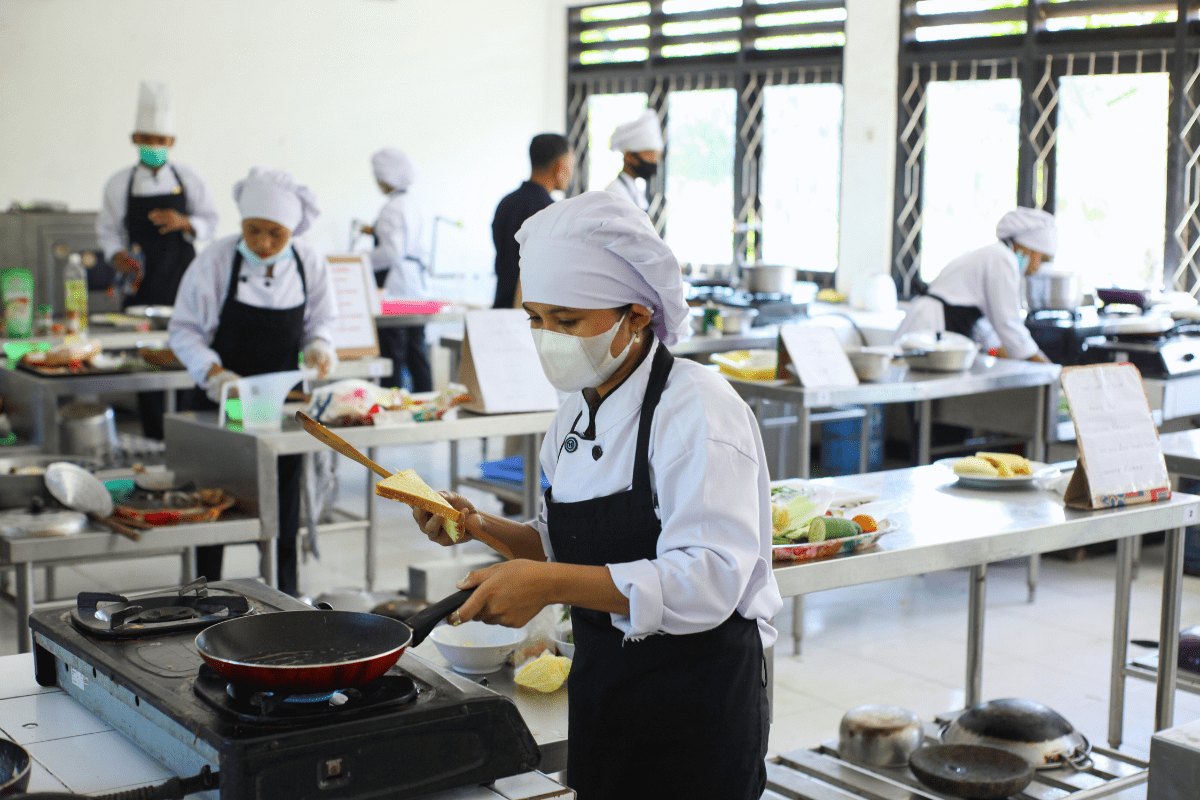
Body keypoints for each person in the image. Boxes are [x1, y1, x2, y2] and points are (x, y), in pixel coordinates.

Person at [412, 191, 782, 799]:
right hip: (605, 687)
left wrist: (548, 584)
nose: (546, 337)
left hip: (697, 704)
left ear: (636, 316)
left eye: (567, 321)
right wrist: (478, 525)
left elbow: (709, 580)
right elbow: (563, 545)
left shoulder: (697, 409)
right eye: (535, 318)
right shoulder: (572, 413)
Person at [168, 167, 338, 596]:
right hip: (219, 401)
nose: (262, 243)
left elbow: (322, 321)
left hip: (278, 408)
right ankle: (201, 596)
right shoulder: (216, 260)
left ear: (292, 230)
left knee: (282, 508)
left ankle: (284, 594)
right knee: (214, 507)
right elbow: (184, 328)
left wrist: (319, 346)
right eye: (253, 230)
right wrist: (212, 371)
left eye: (275, 234)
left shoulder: (308, 262)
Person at [96, 81, 219, 439]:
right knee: (147, 362)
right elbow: (108, 229)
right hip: (142, 287)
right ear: (135, 138)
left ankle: (191, 436)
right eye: (148, 139)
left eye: (162, 141)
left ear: (172, 144)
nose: (155, 147)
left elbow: (210, 220)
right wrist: (115, 255)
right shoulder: (119, 184)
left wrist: (185, 222)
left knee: (188, 356)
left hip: (185, 283)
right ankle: (153, 437)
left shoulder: (190, 179)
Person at [894, 207, 1056, 362]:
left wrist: (998, 352)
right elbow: (1009, 325)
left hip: (938, 325)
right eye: (1041, 259)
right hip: (929, 327)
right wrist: (1048, 369)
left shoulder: (994, 255)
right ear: (1028, 248)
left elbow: (985, 329)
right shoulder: (1002, 259)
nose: (1037, 268)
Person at [364, 148, 432, 391]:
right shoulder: (411, 202)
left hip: (397, 285)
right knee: (417, 350)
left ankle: (390, 403)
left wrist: (360, 261)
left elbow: (391, 252)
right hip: (414, 284)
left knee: (393, 351)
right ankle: (427, 400)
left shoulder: (393, 207)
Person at [492, 134, 574, 309]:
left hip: (500, 310)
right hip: (529, 316)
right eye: (571, 165)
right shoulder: (550, 212)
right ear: (560, 167)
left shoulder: (506, 203)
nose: (571, 173)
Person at [604, 109, 663, 213]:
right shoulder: (614, 192)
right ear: (629, 156)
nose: (654, 162)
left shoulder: (635, 189)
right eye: (650, 156)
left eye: (657, 157)